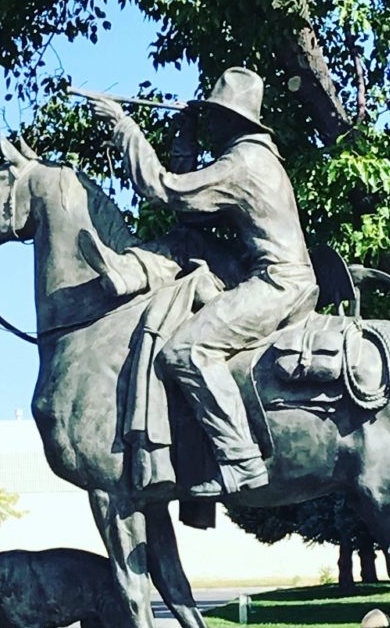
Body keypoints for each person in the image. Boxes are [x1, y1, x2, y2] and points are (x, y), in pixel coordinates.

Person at [88, 67, 317, 497]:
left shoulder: (243, 162)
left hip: (277, 283)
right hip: (268, 274)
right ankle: (129, 272)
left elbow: (167, 191)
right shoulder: (252, 158)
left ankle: (242, 461)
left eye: (214, 115)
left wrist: (124, 128)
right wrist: (185, 141)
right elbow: (190, 214)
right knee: (186, 239)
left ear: (233, 120)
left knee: (187, 351)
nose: (209, 121)